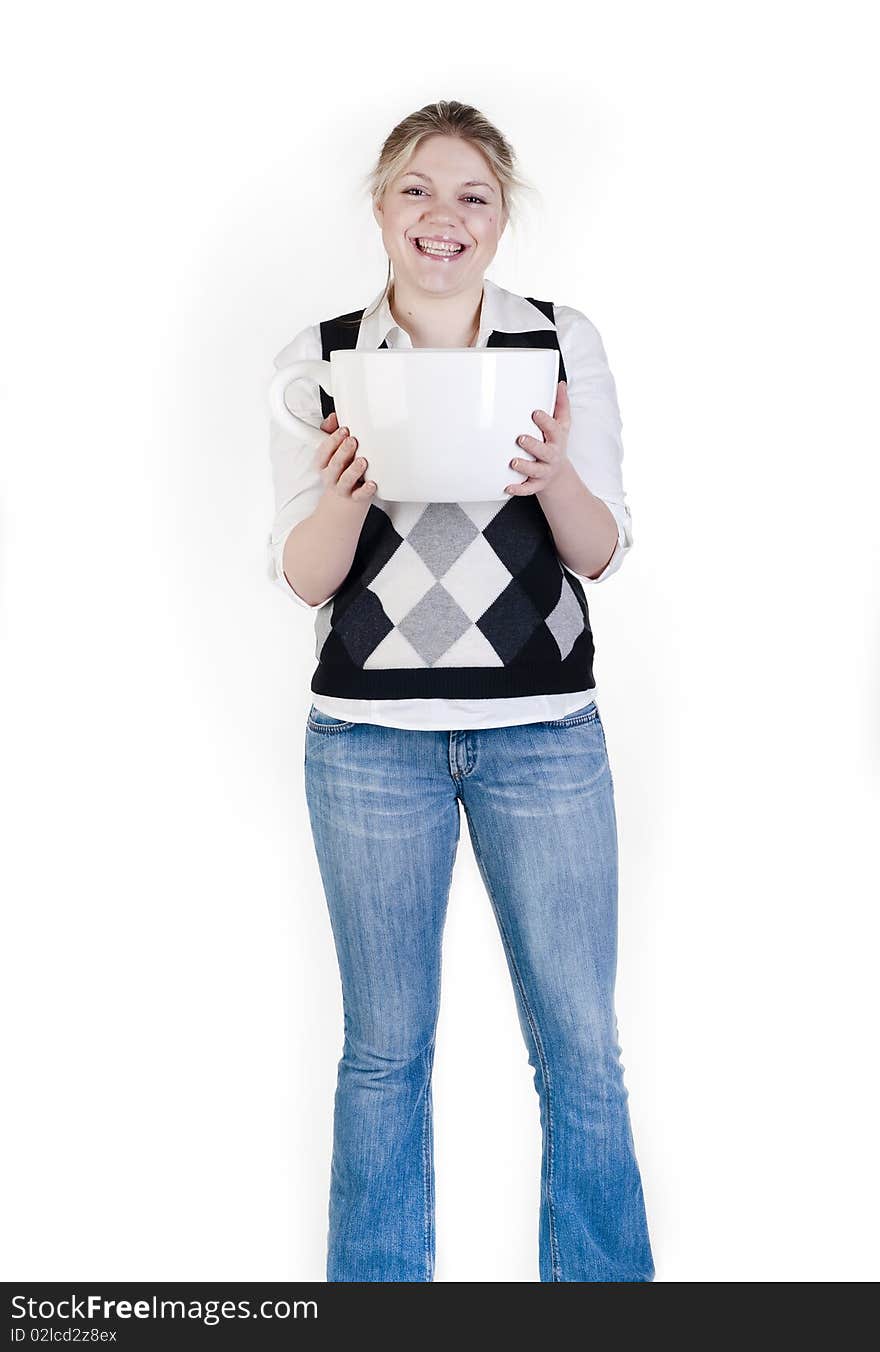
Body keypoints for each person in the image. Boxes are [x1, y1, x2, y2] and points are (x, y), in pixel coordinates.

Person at [267, 99, 654, 1283]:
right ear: (381, 209)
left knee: (581, 1048)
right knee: (384, 1050)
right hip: (369, 742)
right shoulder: (321, 356)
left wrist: (551, 478)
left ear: (500, 219)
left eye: (471, 194)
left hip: (542, 733)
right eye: (417, 191)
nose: (443, 216)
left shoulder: (558, 340)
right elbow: (304, 576)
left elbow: (599, 548)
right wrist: (341, 494)